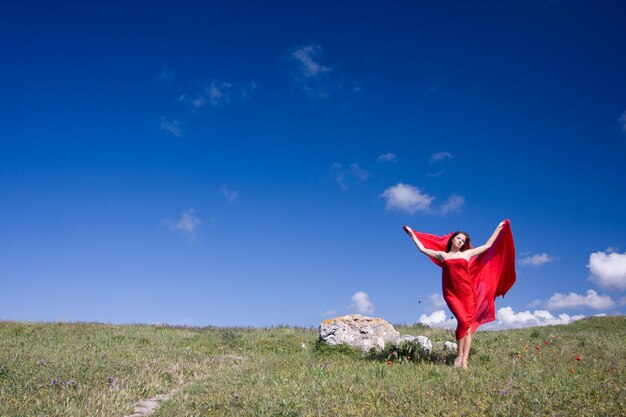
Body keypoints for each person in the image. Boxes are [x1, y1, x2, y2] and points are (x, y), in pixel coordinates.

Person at [403, 220, 516, 369]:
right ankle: (459, 356)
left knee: (467, 326)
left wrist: (498, 229)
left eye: (463, 241)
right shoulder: (442, 255)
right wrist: (412, 235)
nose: (461, 241)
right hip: (451, 294)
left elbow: (487, 246)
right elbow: (423, 249)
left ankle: (464, 361)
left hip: (467, 294)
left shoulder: (467, 254)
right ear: (452, 239)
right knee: (463, 321)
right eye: (459, 238)